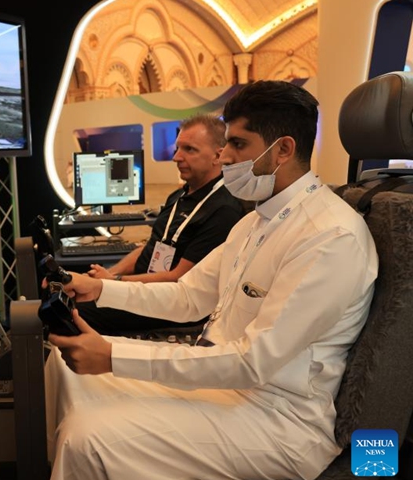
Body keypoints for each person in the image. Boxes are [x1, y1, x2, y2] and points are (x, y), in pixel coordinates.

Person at [44, 80, 379, 480]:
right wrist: (100, 288)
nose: (224, 156)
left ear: (284, 149)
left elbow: (252, 362)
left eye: (238, 145)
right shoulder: (255, 220)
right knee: (64, 368)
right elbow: (189, 296)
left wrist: (113, 357)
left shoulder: (330, 238)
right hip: (226, 386)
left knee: (87, 441)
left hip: (280, 419)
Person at [79, 113, 245, 335]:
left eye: (189, 149)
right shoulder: (178, 196)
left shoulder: (223, 209)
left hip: (168, 304)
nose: (176, 157)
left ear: (218, 155)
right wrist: (109, 274)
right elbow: (148, 249)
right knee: (71, 295)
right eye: (177, 148)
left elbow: (180, 278)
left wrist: (114, 283)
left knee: (77, 310)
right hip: (143, 291)